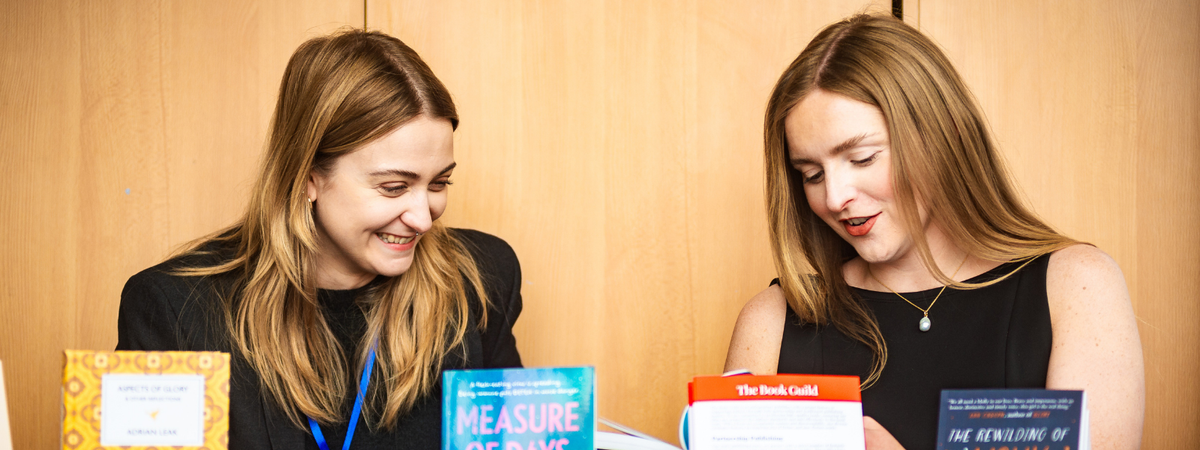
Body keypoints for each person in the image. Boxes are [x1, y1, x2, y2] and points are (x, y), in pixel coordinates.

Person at [724, 14, 1143, 450]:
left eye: (863, 158)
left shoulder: (1075, 287)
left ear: (940, 137)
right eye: (811, 174)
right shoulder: (772, 320)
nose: (833, 197)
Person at [117, 29, 523, 449]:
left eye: (439, 183)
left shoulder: (481, 278)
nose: (423, 219)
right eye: (393, 187)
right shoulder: (174, 309)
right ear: (309, 178)